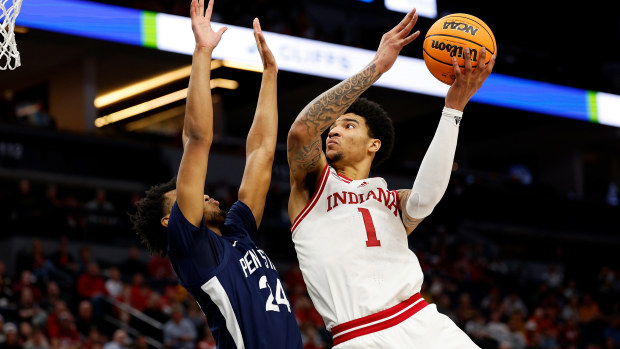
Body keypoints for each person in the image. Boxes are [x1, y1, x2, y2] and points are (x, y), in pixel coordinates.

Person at [286, 7, 495, 348]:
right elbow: (302, 131)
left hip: (422, 321)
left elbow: (425, 198)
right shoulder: (313, 185)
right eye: (334, 126)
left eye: (348, 125)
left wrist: (454, 106)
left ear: (374, 144)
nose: (333, 130)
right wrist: (376, 68)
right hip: (359, 335)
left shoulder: (390, 198)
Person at [129, 0, 302, 348]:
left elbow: (261, 152)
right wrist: (203, 52)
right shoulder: (191, 248)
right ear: (170, 221)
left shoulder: (238, 233)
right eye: (185, 197)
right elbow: (197, 139)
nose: (204, 194)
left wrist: (270, 76)